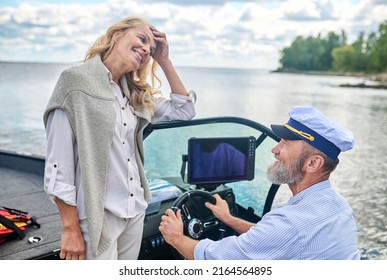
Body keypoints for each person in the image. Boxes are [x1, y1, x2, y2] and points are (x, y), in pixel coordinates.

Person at [43, 16, 196, 260]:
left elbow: (185, 111)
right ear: (117, 35)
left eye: (151, 49)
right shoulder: (75, 81)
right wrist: (70, 229)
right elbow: (58, 167)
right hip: (97, 215)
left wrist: (164, 61)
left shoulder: (134, 93)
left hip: (134, 210)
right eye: (142, 39)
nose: (146, 49)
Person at [159, 106, 360, 260]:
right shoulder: (340, 207)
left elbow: (217, 261)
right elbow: (270, 239)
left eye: (285, 144)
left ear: (313, 163)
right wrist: (229, 219)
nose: (275, 149)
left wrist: (176, 238)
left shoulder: (291, 223)